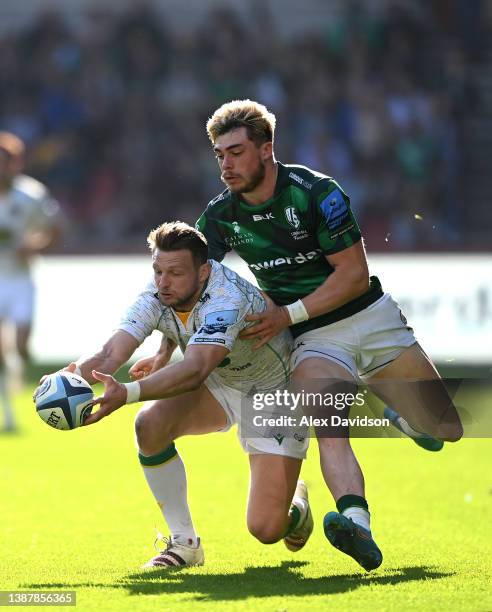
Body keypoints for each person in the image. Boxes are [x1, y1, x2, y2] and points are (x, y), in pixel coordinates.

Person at [190, 99, 463, 571]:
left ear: (266, 150)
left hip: (369, 318)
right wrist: (165, 344)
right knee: (330, 429)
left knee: (446, 428)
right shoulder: (220, 217)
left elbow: (354, 276)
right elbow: (189, 279)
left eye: (235, 152)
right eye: (219, 155)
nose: (226, 165)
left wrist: (286, 313)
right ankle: (357, 523)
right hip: (313, 339)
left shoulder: (317, 193)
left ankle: (393, 408)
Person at [45, 221, 312, 568]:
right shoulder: (157, 293)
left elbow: (195, 369)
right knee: (149, 425)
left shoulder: (226, 298)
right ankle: (184, 545)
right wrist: (68, 377)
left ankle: (296, 509)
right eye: (157, 270)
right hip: (221, 381)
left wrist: (125, 393)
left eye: (174, 273)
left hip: (272, 391)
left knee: (266, 528)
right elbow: (111, 353)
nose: (163, 282)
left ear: (203, 272)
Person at [0, 131, 60, 432]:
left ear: (15, 164)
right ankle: (7, 409)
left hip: (21, 280)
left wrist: (34, 247)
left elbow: (55, 229)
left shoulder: (31, 195)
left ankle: (15, 382)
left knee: (20, 346)